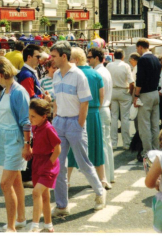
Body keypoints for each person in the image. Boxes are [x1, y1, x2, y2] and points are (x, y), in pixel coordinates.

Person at [50, 42, 106, 216]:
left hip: (74, 122)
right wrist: (55, 120)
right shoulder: (57, 75)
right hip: (60, 123)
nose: (51, 59)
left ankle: (100, 192)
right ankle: (62, 205)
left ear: (64, 56)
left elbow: (85, 103)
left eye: (54, 56)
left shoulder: (79, 75)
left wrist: (79, 124)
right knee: (58, 165)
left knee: (83, 163)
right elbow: (56, 100)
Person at [0, 57, 32, 232]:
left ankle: (11, 228)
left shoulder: (18, 92)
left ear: (1, 74)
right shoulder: (4, 90)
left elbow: (25, 121)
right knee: (15, 182)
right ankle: (20, 219)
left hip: (15, 139)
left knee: (5, 184)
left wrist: (27, 144)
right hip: (5, 137)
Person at [66, 48, 106, 190]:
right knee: (96, 146)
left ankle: (67, 180)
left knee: (71, 147)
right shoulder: (95, 74)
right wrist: (97, 108)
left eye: (69, 59)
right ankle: (103, 179)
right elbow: (102, 96)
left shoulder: (73, 74)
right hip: (94, 113)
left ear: (75, 60)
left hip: (77, 113)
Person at [28, 98, 61, 233]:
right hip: (37, 163)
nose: (30, 119)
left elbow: (58, 149)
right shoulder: (35, 126)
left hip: (48, 165)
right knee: (44, 196)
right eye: (29, 115)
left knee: (36, 192)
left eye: (33, 116)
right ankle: (48, 225)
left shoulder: (48, 128)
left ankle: (34, 226)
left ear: (44, 116)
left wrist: (48, 165)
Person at [88, 47, 115, 188]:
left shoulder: (98, 73)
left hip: (101, 108)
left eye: (90, 57)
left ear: (97, 58)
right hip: (105, 108)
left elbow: (99, 96)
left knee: (102, 144)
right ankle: (109, 175)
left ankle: (104, 178)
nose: (88, 59)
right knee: (106, 143)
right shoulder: (105, 71)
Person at [17, 44, 43, 188]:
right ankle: (27, 176)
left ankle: (28, 175)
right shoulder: (26, 74)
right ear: (29, 57)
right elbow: (30, 97)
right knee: (30, 144)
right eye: (37, 57)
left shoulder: (30, 72)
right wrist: (42, 99)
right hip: (30, 115)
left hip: (32, 114)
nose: (39, 59)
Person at [132, 39, 162, 156]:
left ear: (140, 47)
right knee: (155, 124)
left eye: (137, 48)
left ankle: (147, 152)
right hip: (155, 92)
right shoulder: (156, 59)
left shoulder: (143, 60)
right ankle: (156, 149)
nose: (137, 51)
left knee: (144, 125)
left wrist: (136, 96)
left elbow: (140, 80)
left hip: (145, 95)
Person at [106, 49, 134, 150]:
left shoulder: (109, 66)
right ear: (123, 56)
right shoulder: (126, 66)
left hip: (112, 91)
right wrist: (130, 93)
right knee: (125, 117)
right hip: (123, 91)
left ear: (114, 56)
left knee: (113, 117)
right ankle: (126, 143)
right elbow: (131, 82)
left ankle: (113, 143)